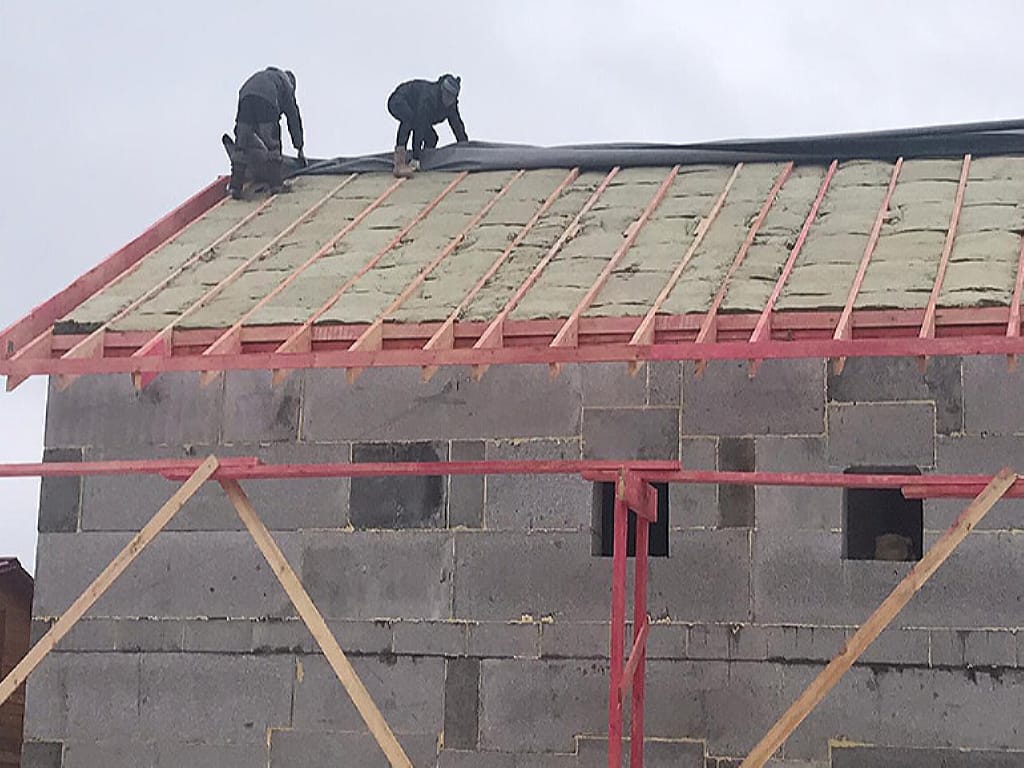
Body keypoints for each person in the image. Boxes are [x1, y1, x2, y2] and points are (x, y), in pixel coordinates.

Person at [222, 67, 307, 199]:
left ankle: (235, 187)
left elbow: (245, 129)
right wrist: (299, 147)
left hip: (245, 94)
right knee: (272, 142)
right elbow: (293, 119)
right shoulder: (286, 86)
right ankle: (276, 185)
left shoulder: (266, 77)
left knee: (242, 144)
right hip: (267, 98)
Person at [387, 74, 468, 178]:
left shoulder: (451, 107)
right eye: (447, 95)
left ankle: (425, 160)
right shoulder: (429, 98)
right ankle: (400, 163)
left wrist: (465, 148)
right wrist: (416, 157)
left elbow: (457, 126)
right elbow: (419, 127)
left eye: (451, 97)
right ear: (442, 91)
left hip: (417, 114)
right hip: (400, 100)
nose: (448, 100)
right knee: (409, 119)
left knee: (432, 138)